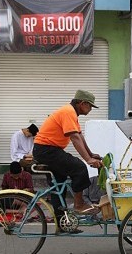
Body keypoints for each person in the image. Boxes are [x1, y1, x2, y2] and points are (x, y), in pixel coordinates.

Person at [33, 90, 103, 232]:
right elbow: (74, 138)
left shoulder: (72, 113)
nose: (90, 109)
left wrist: (91, 154)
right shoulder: (68, 112)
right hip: (46, 150)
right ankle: (79, 205)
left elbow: (79, 136)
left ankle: (62, 224)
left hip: (50, 150)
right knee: (79, 168)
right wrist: (87, 160)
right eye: (90, 106)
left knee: (59, 187)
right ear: (82, 103)